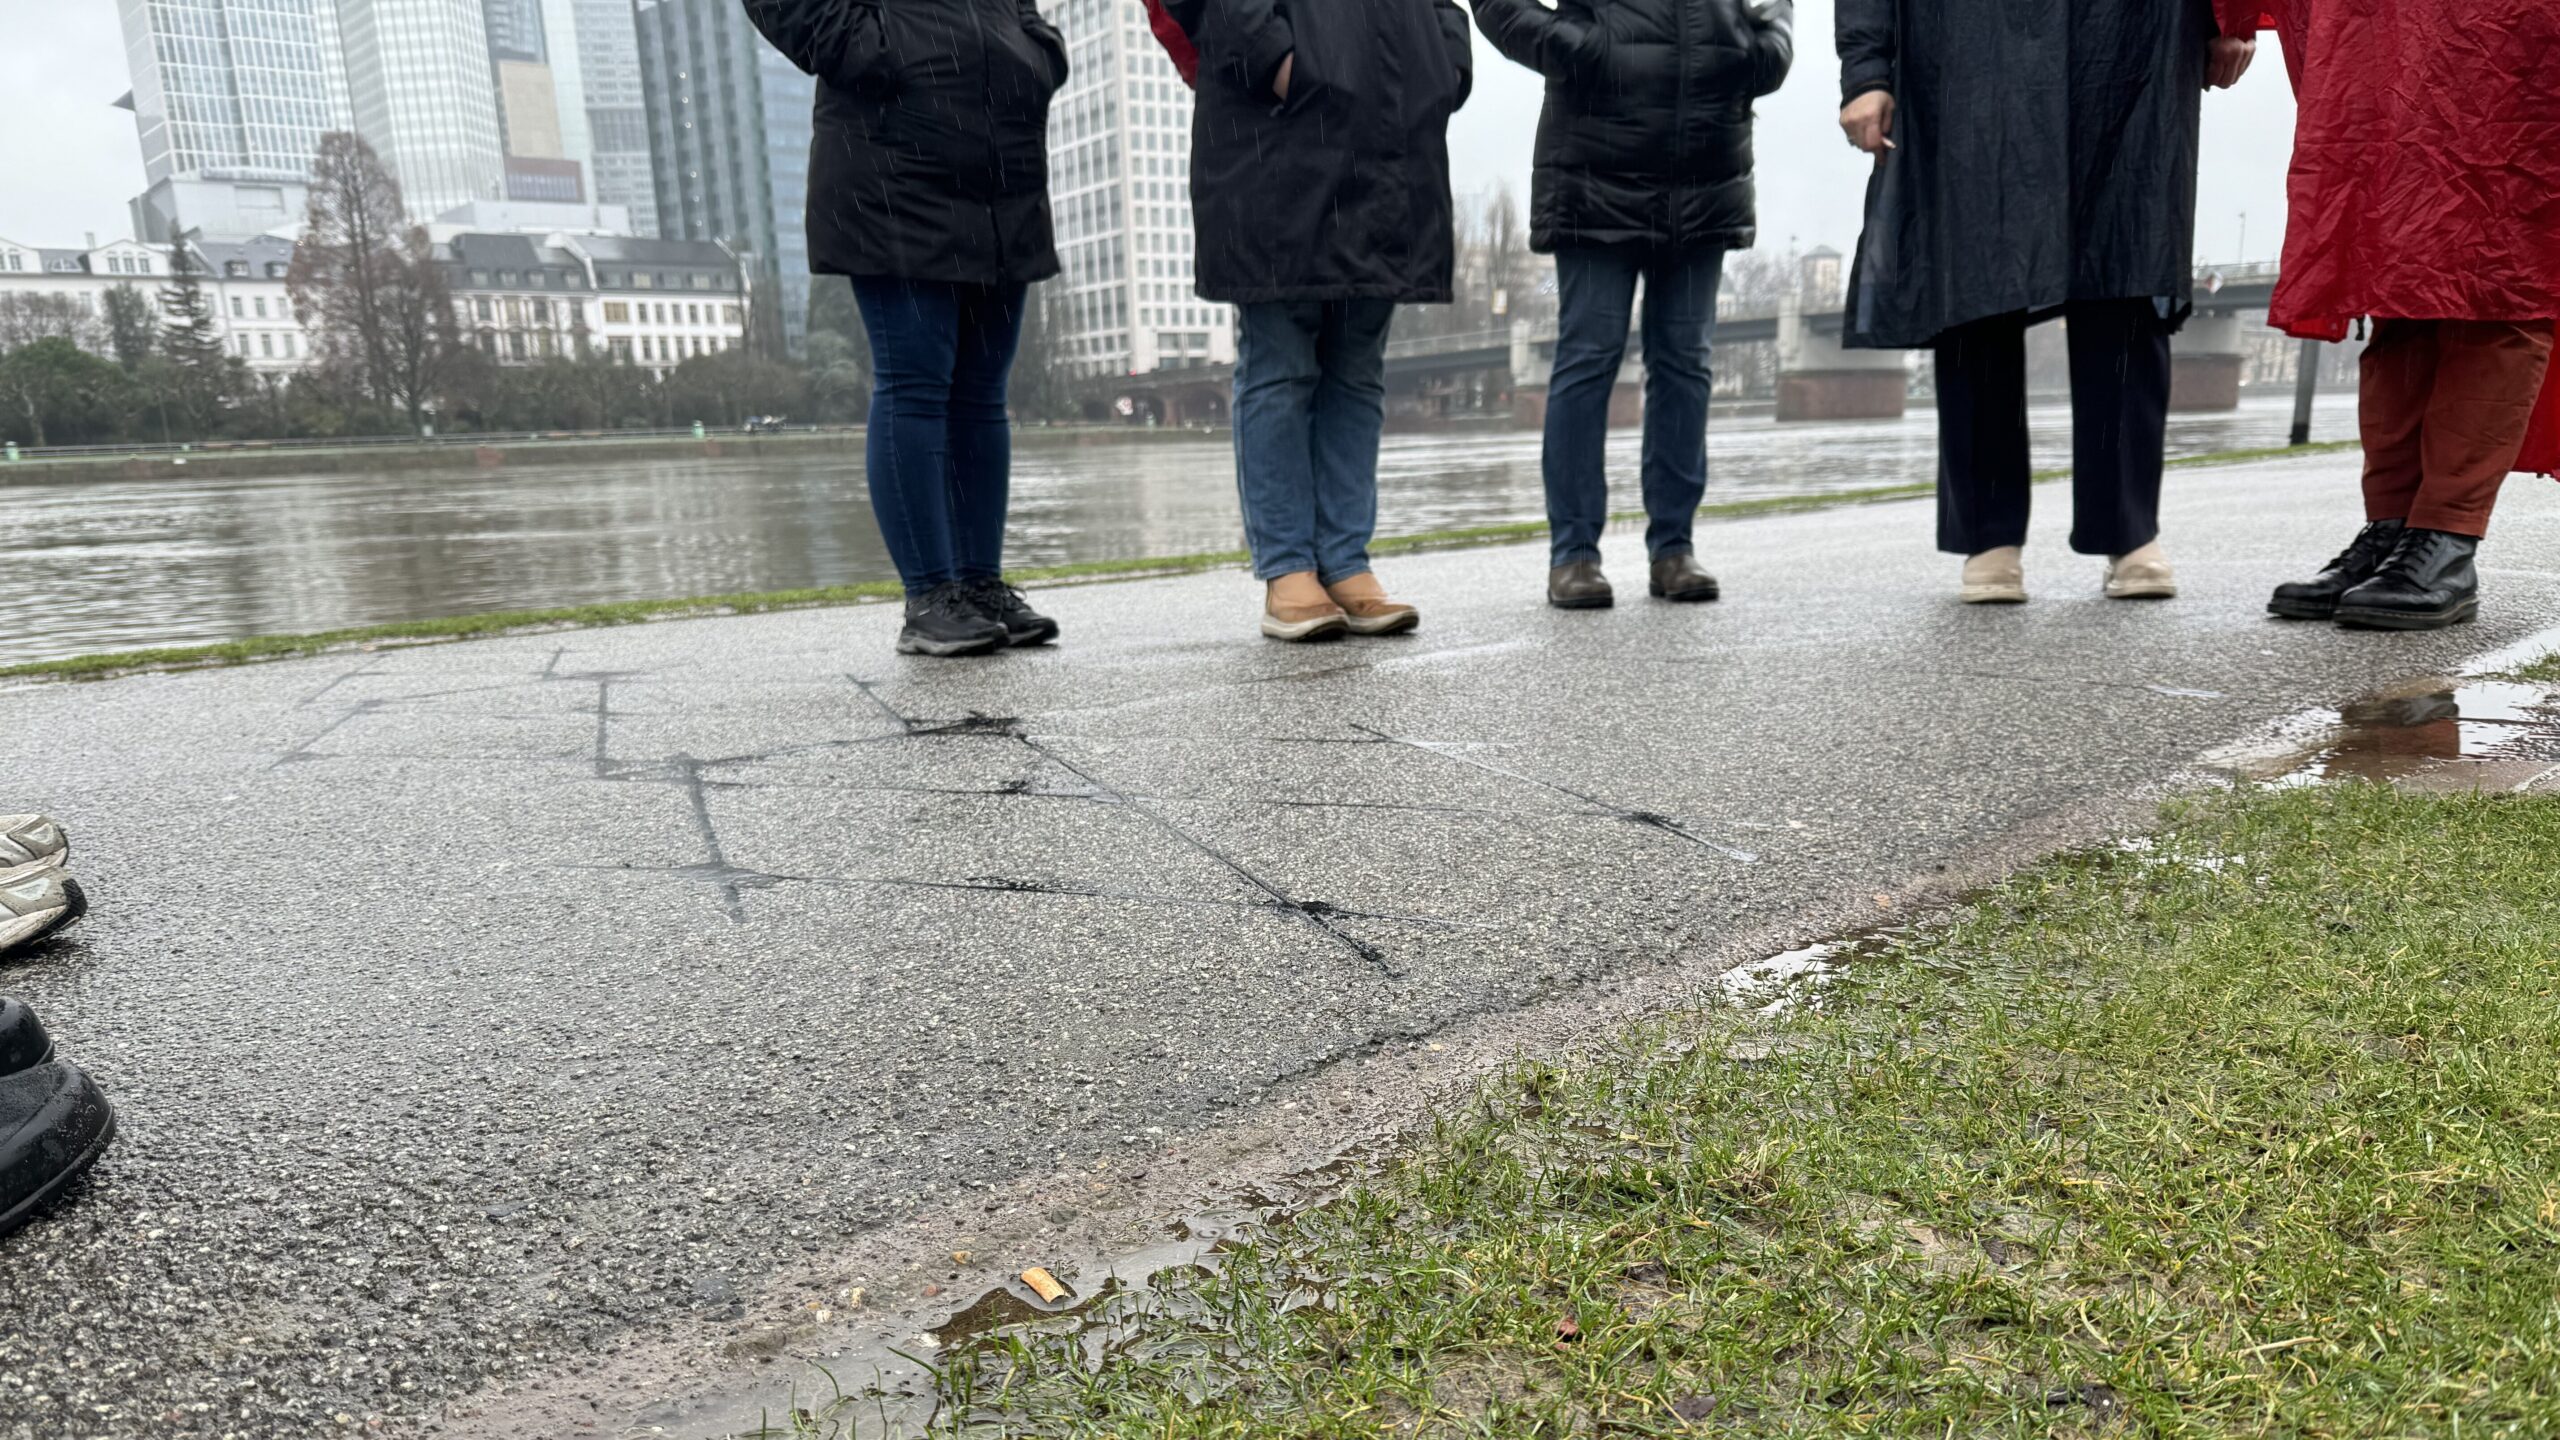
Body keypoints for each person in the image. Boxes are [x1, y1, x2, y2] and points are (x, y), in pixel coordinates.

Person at [1836, 0, 2256, 604]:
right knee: (1975, 281)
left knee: (2123, 269)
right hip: (1963, 45)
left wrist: (2232, 14)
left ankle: (2128, 530)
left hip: (2129, 36)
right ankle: (1989, 535)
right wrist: (1866, 72)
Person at [742, 0, 1069, 658]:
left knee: (983, 395)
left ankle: (978, 583)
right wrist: (872, 46)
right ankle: (930, 596)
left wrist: (1035, 51)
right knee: (914, 383)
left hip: (1002, 167)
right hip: (894, 162)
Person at [1147, 0, 1475, 642]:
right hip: (1280, 130)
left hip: (1390, 132)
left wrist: (1443, 63)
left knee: (1358, 367)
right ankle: (1289, 568)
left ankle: (1346, 562)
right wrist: (1279, 60)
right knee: (1281, 358)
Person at [1472, 0, 1794, 611]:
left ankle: (1674, 549)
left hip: (1706, 167)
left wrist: (1761, 51)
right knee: (1587, 359)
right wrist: (1583, 48)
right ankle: (1574, 555)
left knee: (1686, 364)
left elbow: (1776, 9)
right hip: (1597, 163)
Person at [2251, 0, 2560, 630]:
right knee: (2399, 279)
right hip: (2381, 36)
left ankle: (2444, 538)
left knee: (2498, 273)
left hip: (2513, 39)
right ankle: (2394, 528)